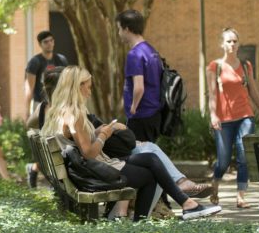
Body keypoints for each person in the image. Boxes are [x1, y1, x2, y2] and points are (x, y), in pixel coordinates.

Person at [43, 66, 220, 221]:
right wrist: (103, 135)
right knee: (151, 176)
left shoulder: (59, 112)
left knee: (150, 157)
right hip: (94, 172)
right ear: (77, 87)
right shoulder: (75, 115)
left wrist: (96, 132)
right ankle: (153, 218)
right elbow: (88, 153)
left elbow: (78, 140)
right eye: (88, 88)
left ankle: (187, 204)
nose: (89, 92)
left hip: (85, 170)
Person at [207, 27, 259, 209]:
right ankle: (215, 183)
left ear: (238, 44)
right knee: (224, 160)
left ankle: (240, 196)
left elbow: (253, 90)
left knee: (243, 154)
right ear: (222, 44)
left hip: (245, 116)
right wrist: (213, 115)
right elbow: (211, 94)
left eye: (235, 41)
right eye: (228, 41)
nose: (232, 44)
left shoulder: (246, 65)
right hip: (224, 119)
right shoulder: (214, 67)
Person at [116, 9, 164, 142]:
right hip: (154, 114)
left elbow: (139, 87)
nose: (119, 33)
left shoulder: (134, 54)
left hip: (141, 115)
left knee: (140, 157)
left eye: (119, 29)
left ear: (127, 29)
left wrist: (133, 107)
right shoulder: (152, 51)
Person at [24, 30, 68, 117]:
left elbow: (67, 83)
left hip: (59, 103)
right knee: (40, 130)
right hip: (40, 103)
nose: (49, 44)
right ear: (40, 44)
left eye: (51, 40)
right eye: (46, 42)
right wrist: (27, 111)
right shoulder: (35, 62)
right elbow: (29, 87)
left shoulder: (61, 60)